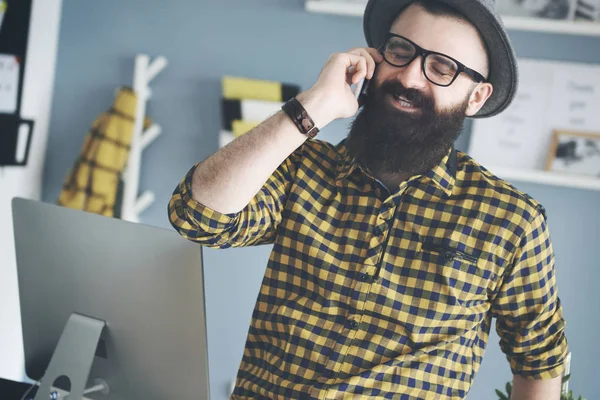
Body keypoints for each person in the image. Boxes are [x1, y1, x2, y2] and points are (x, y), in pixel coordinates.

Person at [168, 0, 568, 398]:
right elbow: (197, 216)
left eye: (442, 68)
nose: (410, 77)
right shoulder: (304, 168)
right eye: (400, 51)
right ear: (374, 59)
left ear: (477, 97)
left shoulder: (511, 219)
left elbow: (539, 361)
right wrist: (317, 105)